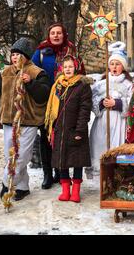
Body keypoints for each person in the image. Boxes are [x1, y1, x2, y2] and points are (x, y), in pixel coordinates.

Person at [0, 38, 50, 201]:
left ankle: (6, 183)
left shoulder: (37, 72)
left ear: (26, 56)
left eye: (18, 54)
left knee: (22, 156)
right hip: (8, 120)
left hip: (28, 121)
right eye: (13, 54)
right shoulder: (6, 72)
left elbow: (43, 96)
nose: (14, 57)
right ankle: (22, 187)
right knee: (10, 155)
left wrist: (30, 83)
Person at [32, 23, 86, 189]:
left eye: (59, 33)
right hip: (46, 101)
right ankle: (48, 174)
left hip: (68, 100)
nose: (56, 36)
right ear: (49, 35)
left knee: (63, 136)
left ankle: (59, 172)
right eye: (52, 33)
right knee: (47, 137)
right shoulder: (41, 51)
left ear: (64, 35)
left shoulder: (71, 50)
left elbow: (81, 71)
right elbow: (31, 71)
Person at [44, 55, 93, 203]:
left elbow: (85, 110)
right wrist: (51, 128)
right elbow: (53, 108)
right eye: (65, 67)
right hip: (59, 129)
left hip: (76, 129)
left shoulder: (82, 86)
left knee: (77, 161)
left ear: (76, 68)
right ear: (61, 69)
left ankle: (76, 191)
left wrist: (79, 130)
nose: (68, 69)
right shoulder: (58, 86)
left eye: (71, 66)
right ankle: (65, 190)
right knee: (62, 161)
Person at [87, 45, 133, 178]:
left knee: (117, 148)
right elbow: (93, 100)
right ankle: (102, 178)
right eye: (112, 63)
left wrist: (117, 103)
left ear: (123, 66)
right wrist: (101, 104)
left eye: (117, 64)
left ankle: (119, 176)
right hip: (103, 121)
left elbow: (132, 102)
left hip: (119, 121)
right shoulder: (101, 84)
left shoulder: (129, 84)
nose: (114, 67)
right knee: (100, 146)